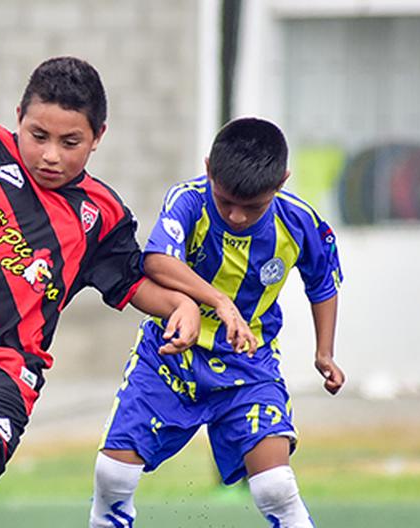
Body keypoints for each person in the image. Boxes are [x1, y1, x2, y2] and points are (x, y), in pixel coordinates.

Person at [0, 57, 250, 528]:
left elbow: (131, 283)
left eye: (71, 143)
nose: (51, 155)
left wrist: (184, 304)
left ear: (98, 137)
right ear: (19, 117)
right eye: (38, 136)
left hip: (3, 368)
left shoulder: (101, 215)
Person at [90, 117, 345, 528]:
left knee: (276, 486)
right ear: (209, 168)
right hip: (171, 357)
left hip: (248, 363)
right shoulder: (188, 201)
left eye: (253, 206)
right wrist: (219, 302)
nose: (238, 216)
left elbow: (323, 280)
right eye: (226, 201)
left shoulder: (300, 223)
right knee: (112, 474)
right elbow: (157, 260)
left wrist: (325, 352)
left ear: (281, 182)